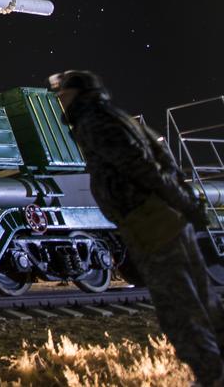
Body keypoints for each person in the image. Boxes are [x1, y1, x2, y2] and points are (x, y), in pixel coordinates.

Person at [50, 69, 224, 386]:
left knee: (179, 313)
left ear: (79, 93)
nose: (60, 100)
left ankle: (211, 376)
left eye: (64, 94)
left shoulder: (94, 123)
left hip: (152, 225)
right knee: (204, 302)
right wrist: (183, 202)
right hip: (165, 219)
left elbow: (142, 168)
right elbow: (163, 158)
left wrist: (181, 202)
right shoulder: (119, 118)